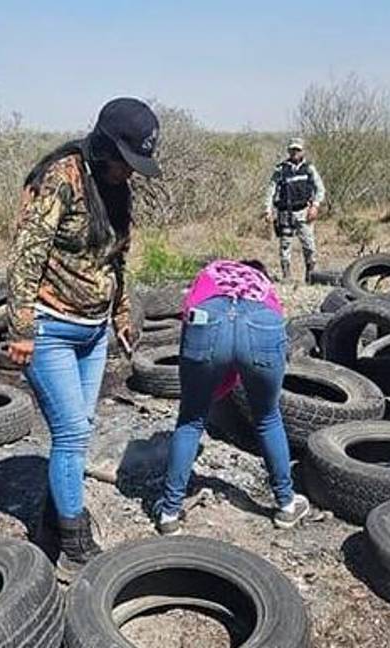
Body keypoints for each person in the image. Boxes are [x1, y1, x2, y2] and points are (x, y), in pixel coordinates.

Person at [5, 98, 161, 577]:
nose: (128, 173)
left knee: (81, 427)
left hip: (93, 332)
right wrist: (22, 328)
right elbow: (26, 254)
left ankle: (51, 525)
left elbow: (115, 261)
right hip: (50, 326)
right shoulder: (62, 178)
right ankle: (74, 544)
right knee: (71, 433)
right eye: (124, 162)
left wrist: (121, 314)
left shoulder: (117, 190)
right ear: (103, 146)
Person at [153, 258, 311, 535]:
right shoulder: (263, 284)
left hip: (207, 320)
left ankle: (169, 512)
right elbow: (268, 337)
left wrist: (209, 388)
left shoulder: (211, 272)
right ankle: (286, 504)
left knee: (191, 420)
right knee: (267, 417)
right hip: (262, 323)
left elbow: (188, 317)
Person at [264, 137, 326, 281]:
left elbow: (320, 189)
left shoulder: (309, 168)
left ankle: (310, 276)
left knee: (309, 245)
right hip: (284, 212)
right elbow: (271, 190)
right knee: (285, 244)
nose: (295, 153)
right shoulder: (280, 169)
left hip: (303, 212)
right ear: (288, 150)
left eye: (297, 150)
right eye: (292, 150)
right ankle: (287, 276)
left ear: (302, 151)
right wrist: (268, 209)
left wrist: (315, 206)